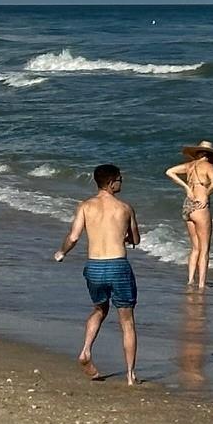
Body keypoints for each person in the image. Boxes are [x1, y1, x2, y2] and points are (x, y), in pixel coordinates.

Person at [54, 163, 141, 385]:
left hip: (94, 266)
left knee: (100, 309)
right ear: (111, 183)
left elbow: (74, 237)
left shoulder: (85, 206)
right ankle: (130, 375)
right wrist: (125, 237)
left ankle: (86, 349)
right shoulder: (125, 208)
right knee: (127, 321)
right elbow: (136, 239)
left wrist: (61, 252)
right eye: (119, 179)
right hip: (118, 266)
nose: (121, 182)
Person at [165, 139, 213, 290]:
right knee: (204, 249)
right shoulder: (208, 166)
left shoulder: (189, 166)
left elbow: (169, 171)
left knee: (195, 247)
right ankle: (202, 284)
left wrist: (186, 187)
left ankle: (191, 280)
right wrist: (207, 194)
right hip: (200, 206)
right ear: (209, 155)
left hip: (188, 205)